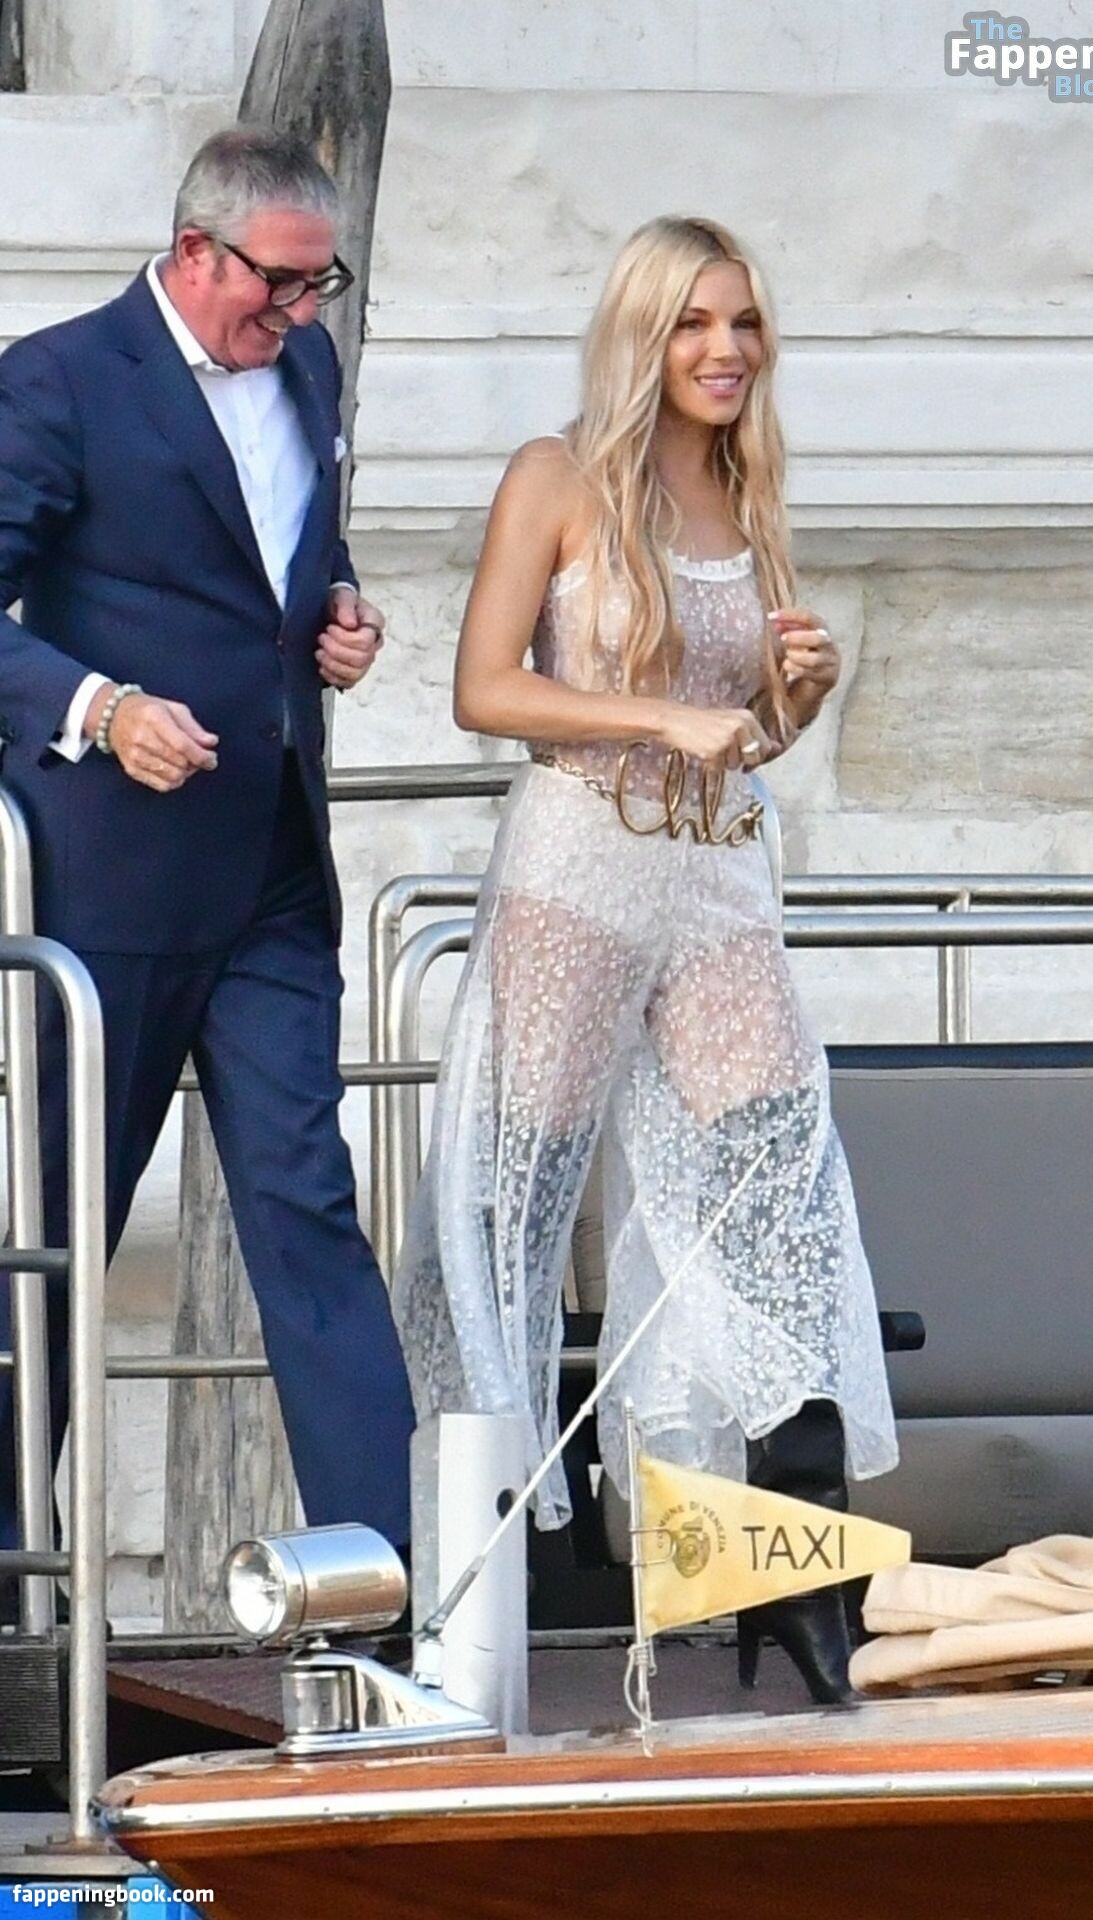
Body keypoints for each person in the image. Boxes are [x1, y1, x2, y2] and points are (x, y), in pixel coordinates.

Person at [393, 216, 898, 1704]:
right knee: (505, 1216)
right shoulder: (555, 478)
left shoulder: (749, 487)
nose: (726, 350)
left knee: (779, 1197)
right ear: (642, 336)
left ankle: (794, 1583)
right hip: (580, 875)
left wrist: (797, 699)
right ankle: (466, 1584)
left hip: (716, 877)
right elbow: (488, 689)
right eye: (693, 324)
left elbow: (749, 732)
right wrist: (660, 716)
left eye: (742, 323)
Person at [0, 127, 416, 1619]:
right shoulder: (57, 379)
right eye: (280, 284)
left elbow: (282, 556)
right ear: (194, 251)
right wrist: (97, 708)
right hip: (106, 892)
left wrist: (339, 612)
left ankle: (389, 1586)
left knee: (310, 1208)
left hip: (272, 878)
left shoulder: (305, 368)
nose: (300, 313)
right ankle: (11, 1588)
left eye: (320, 285)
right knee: (63, 1233)